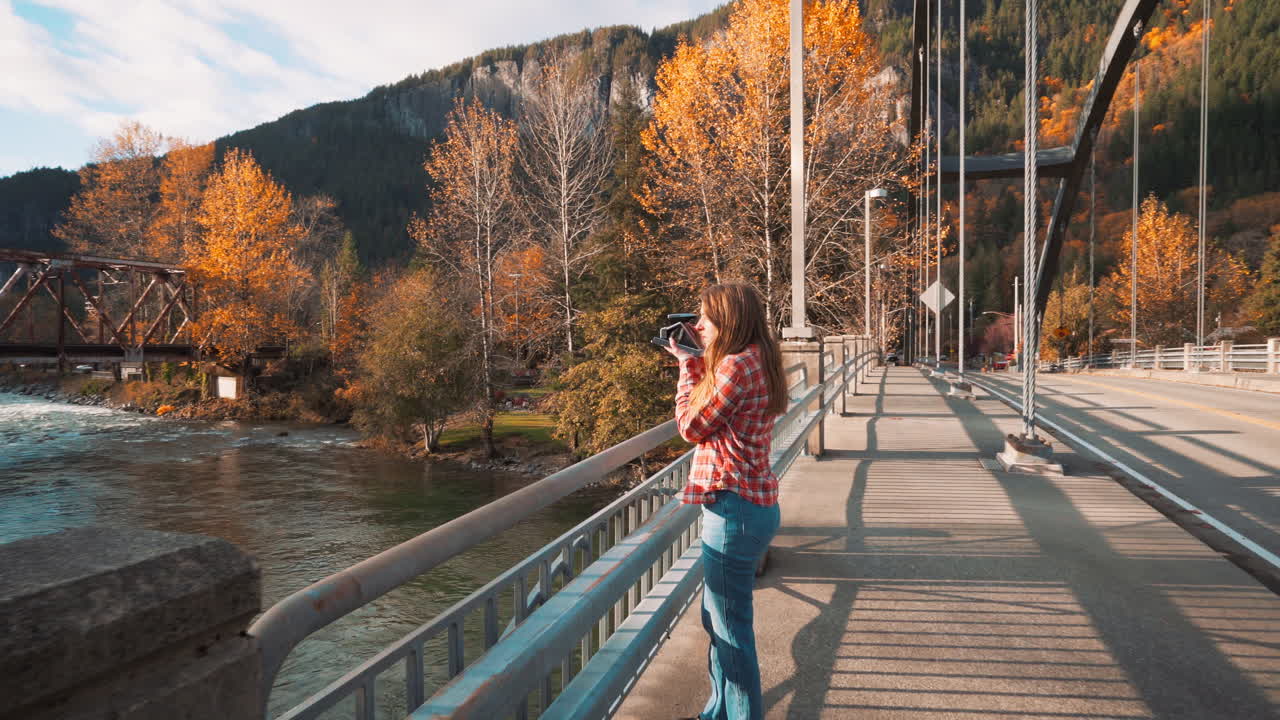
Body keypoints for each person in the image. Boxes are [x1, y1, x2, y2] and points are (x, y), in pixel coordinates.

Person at [664, 282, 788, 720]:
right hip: (753, 505)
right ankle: (716, 712)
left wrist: (687, 366)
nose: (697, 326)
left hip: (734, 509)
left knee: (732, 632)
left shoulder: (736, 365)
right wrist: (701, 361)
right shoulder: (762, 357)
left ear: (728, 320)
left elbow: (691, 426)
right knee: (719, 623)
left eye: (705, 318)